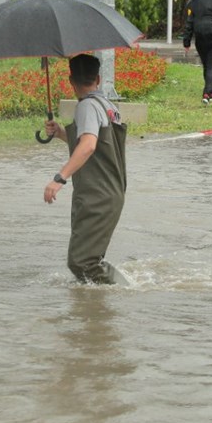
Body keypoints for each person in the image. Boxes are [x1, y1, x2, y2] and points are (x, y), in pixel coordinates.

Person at [43, 54, 128, 284]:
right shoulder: (108, 106)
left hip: (96, 195)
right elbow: (98, 146)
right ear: (98, 79)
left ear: (71, 81)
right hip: (111, 192)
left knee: (81, 261)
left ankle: (126, 291)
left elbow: (89, 145)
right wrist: (61, 132)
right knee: (90, 260)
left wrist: (59, 179)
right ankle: (96, 305)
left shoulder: (87, 107)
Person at [182, 6, 212, 103]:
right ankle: (206, 93)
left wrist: (186, 42)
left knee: (207, 66)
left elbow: (189, 24)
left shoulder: (196, 4)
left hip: (201, 39)